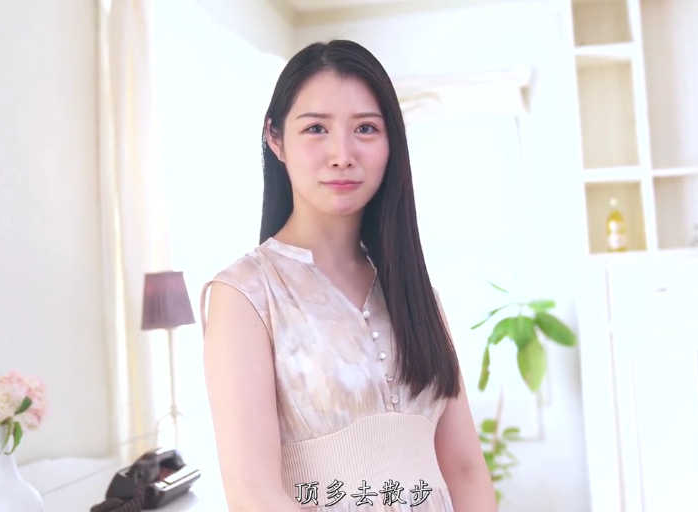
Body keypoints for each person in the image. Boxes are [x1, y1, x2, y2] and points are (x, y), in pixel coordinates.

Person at [200, 39, 497, 511]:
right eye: (316, 128)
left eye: (365, 128)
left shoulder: (418, 296)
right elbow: (253, 492)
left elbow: (465, 470)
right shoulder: (246, 294)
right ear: (275, 138)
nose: (342, 153)